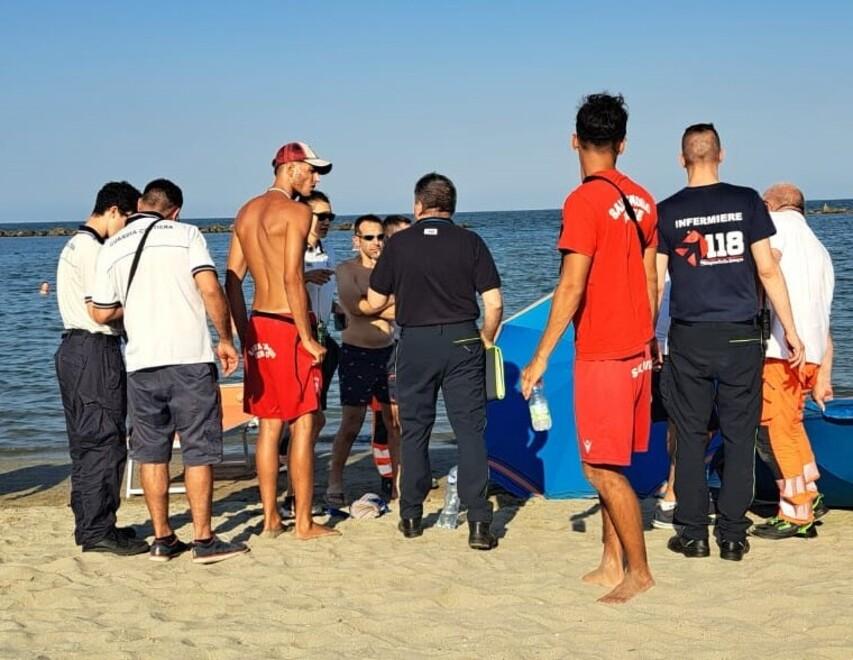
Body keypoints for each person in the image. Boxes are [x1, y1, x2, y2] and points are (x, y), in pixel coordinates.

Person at [521, 93, 657, 603]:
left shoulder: (582, 200)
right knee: (611, 461)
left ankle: (638, 572)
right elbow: (651, 278)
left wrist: (538, 357)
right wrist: (650, 339)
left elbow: (571, 286)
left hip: (603, 350)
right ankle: (609, 560)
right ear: (621, 143)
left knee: (597, 467)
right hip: (638, 347)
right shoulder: (643, 198)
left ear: (575, 140)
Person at [657, 124, 804, 562]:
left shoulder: (667, 211)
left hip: (689, 333)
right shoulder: (745, 201)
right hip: (740, 333)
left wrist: (649, 333)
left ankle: (692, 532)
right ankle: (734, 535)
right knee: (740, 435)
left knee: (689, 433)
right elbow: (768, 270)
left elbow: (655, 279)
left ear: (682, 159)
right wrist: (790, 330)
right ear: (721, 155)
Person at [91, 179, 248, 564]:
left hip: (142, 361)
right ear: (175, 210)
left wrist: (142, 305)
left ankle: (162, 538)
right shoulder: (185, 234)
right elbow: (210, 289)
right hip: (188, 358)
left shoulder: (112, 245)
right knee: (197, 450)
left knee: (151, 453)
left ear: (140, 204)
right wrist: (225, 338)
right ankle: (204, 539)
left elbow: (100, 311)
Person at [366, 173, 504, 551]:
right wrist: (486, 338)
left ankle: (410, 515)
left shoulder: (399, 244)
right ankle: (478, 522)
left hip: (416, 340)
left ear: (418, 206)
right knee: (471, 432)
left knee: (414, 429)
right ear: (452, 207)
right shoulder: (471, 241)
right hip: (462, 336)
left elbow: (376, 300)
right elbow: (493, 304)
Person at [225, 142, 337, 540]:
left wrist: (239, 332)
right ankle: (304, 522)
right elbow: (292, 276)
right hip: (289, 325)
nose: (316, 178)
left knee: (270, 425)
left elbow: (232, 280)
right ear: (290, 169)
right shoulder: (297, 211)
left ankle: (271, 517)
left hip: (259, 323)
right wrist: (308, 337)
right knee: (304, 422)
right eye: (312, 170)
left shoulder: (246, 211)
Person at [55, 181, 148, 556]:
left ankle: (94, 521)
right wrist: (141, 300)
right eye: (127, 220)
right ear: (114, 212)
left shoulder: (75, 245)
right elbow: (102, 308)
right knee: (103, 440)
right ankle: (96, 529)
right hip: (94, 347)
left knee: (86, 440)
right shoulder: (94, 250)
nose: (126, 231)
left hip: (76, 350)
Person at [752, 183, 834, 539]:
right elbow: (826, 313)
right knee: (794, 423)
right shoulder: (820, 249)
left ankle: (796, 511)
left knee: (778, 429)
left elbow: (764, 273)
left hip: (781, 348)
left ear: (774, 205)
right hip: (812, 351)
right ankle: (810, 495)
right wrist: (824, 373)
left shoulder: (774, 229)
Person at [325, 214, 399, 505]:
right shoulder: (347, 269)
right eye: (369, 237)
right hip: (357, 353)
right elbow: (356, 308)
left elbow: (404, 308)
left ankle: (397, 484)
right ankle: (335, 479)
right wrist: (386, 303)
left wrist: (374, 305)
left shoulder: (392, 270)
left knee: (394, 422)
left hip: (389, 351)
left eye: (380, 236)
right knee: (351, 422)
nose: (376, 242)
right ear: (357, 240)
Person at [279, 190, 339, 519]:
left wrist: (339, 309)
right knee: (303, 420)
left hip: (323, 335)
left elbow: (323, 295)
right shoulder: (293, 249)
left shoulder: (324, 249)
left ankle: (297, 489)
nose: (326, 222)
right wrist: (304, 276)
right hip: (297, 339)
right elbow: (275, 284)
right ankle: (292, 496)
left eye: (330, 216)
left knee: (315, 419)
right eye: (320, 216)